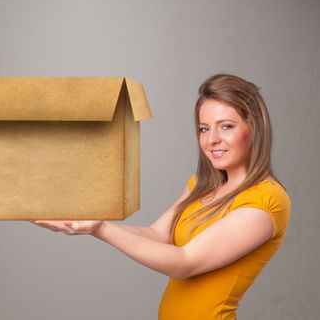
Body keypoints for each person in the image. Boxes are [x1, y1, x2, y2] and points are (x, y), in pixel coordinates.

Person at [29, 73, 292, 320]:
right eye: (204, 129)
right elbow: (157, 235)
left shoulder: (267, 201)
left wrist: (101, 229)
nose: (212, 140)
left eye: (226, 126)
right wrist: (89, 221)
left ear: (254, 127)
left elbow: (184, 262)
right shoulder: (202, 186)